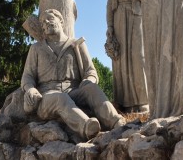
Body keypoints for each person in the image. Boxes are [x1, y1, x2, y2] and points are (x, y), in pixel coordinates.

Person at [21, 9, 124, 140]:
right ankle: (87, 127)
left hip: (74, 91)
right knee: (60, 98)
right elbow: (27, 76)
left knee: (92, 89)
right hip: (47, 97)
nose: (46, 22)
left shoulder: (77, 45)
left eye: (49, 18)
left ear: (61, 21)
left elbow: (91, 71)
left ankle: (117, 122)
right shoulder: (36, 48)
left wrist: (88, 80)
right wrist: (30, 89)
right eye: (42, 22)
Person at [105, 0, 149, 113]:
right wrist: (110, 25)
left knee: (139, 57)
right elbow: (109, 5)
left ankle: (143, 99)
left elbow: (150, 1)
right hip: (119, 20)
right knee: (121, 61)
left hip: (138, 18)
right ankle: (125, 102)